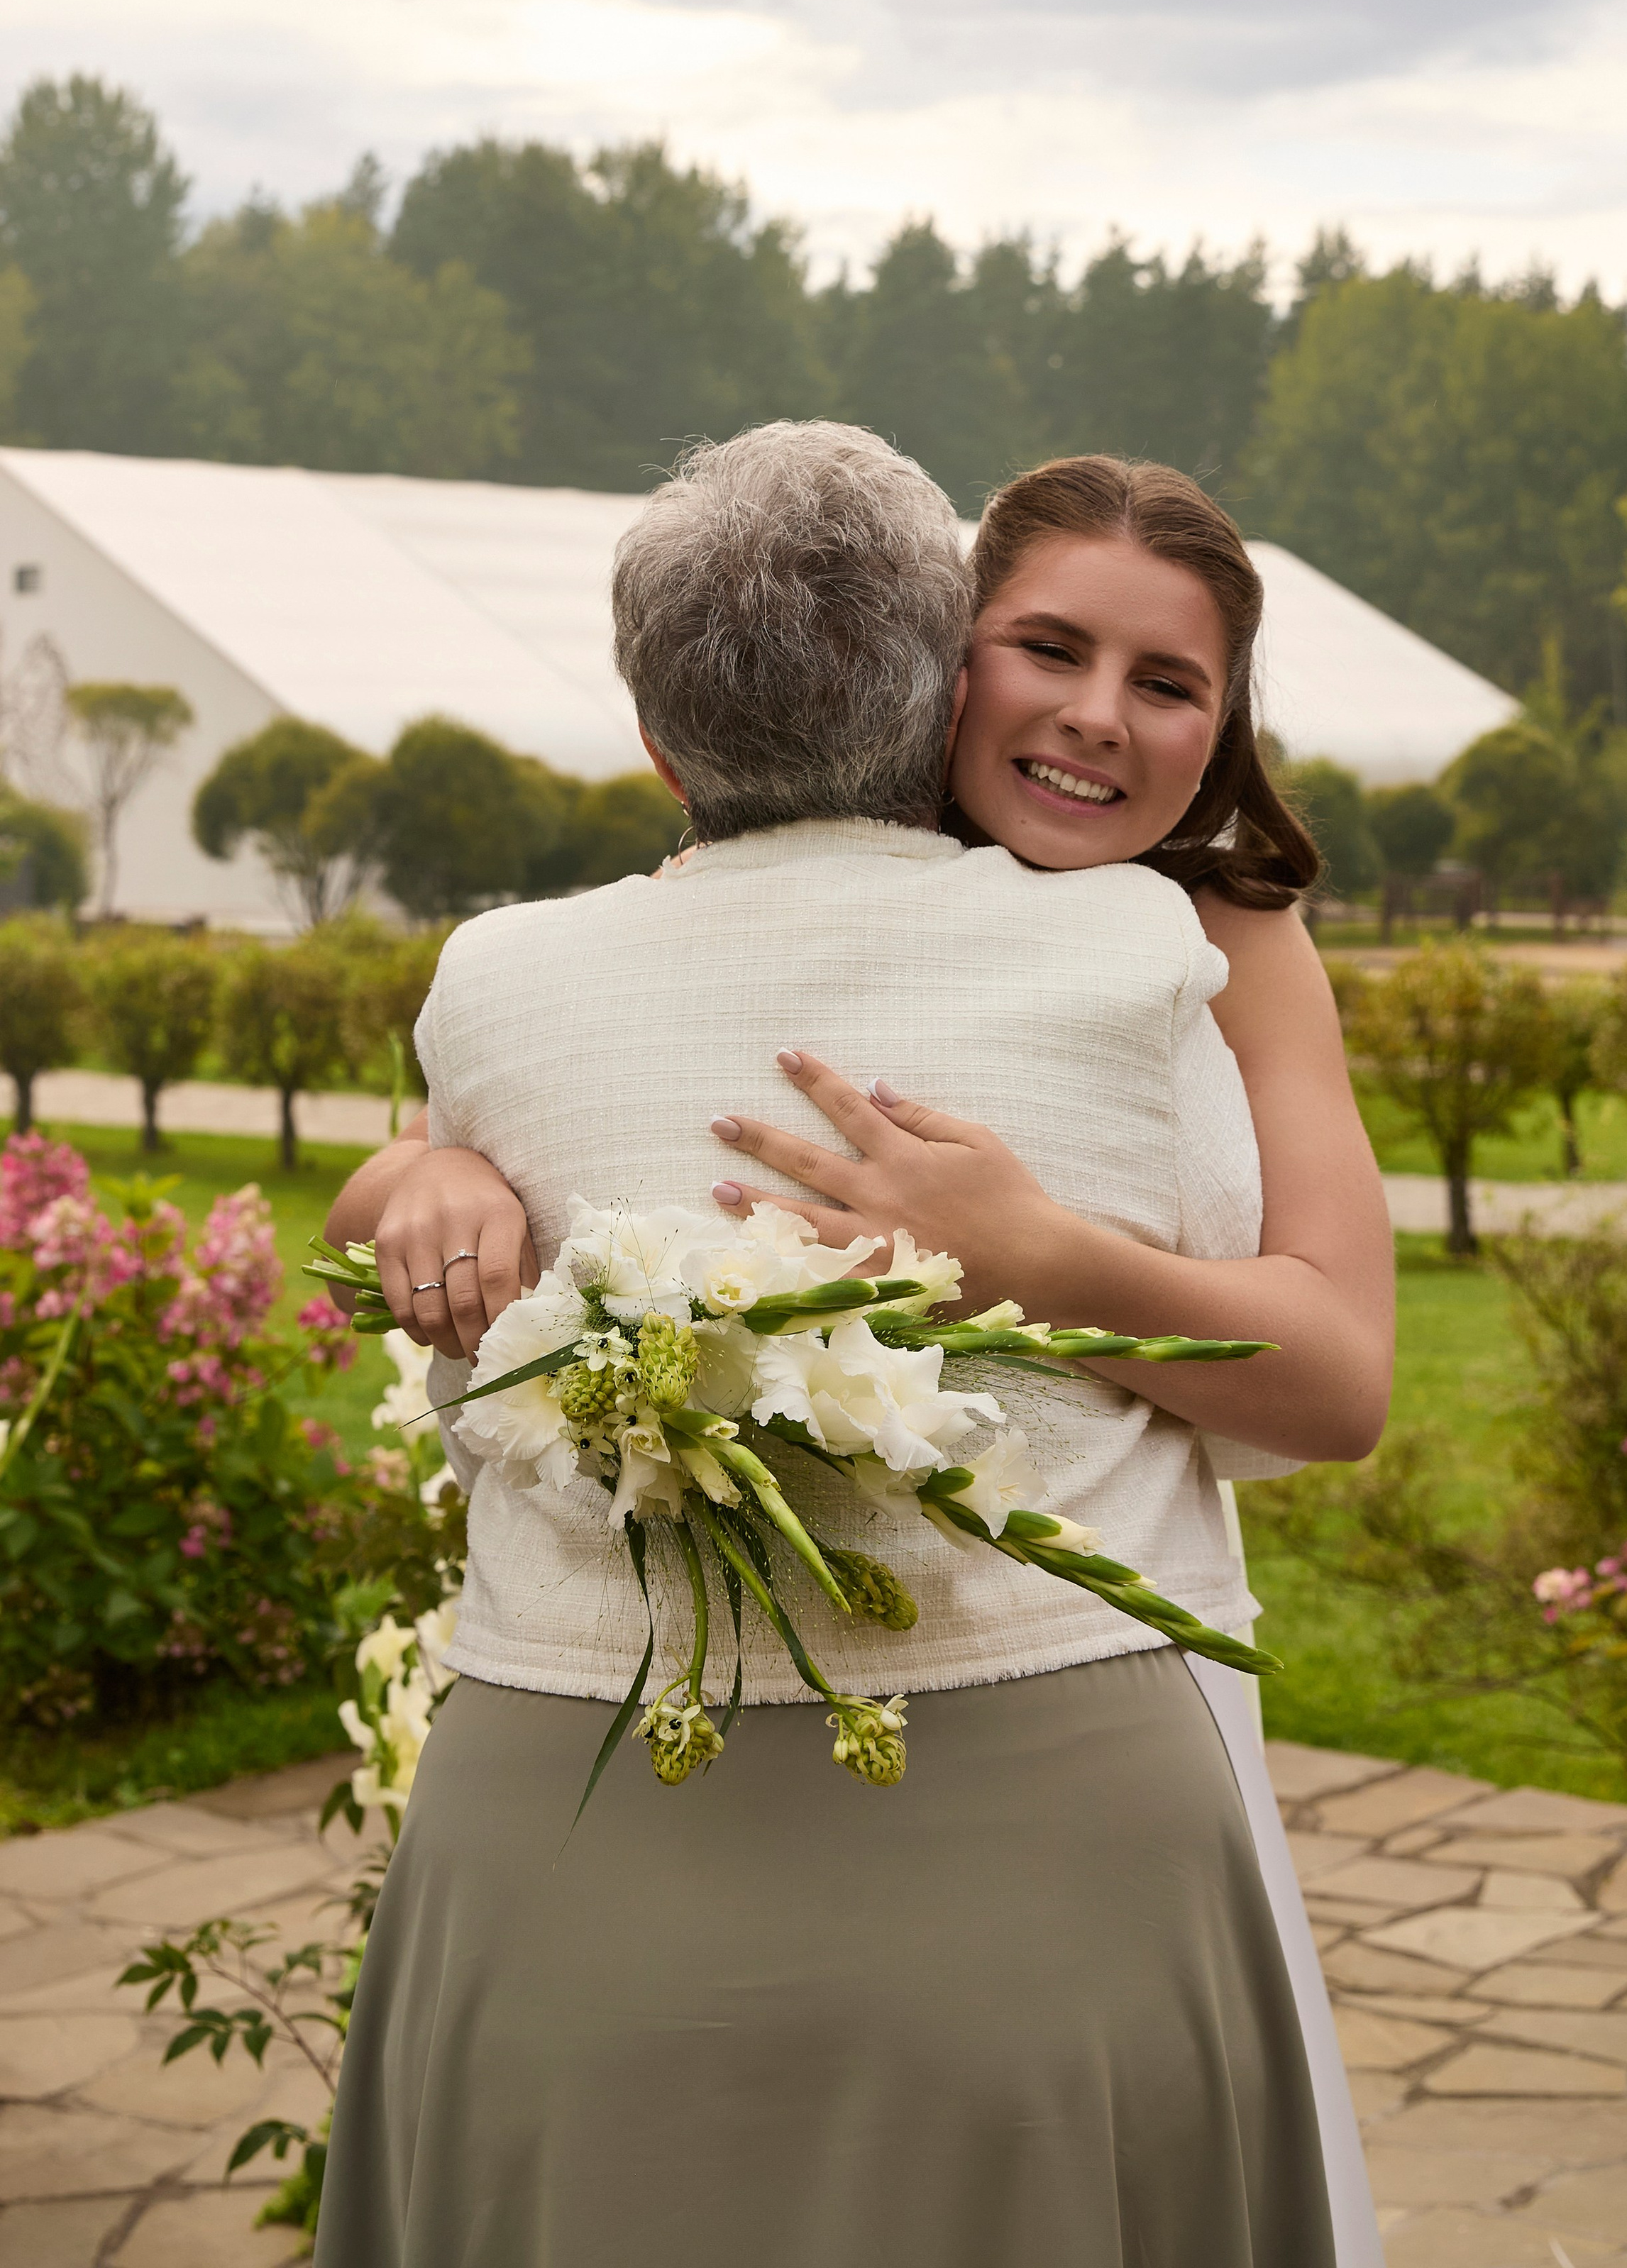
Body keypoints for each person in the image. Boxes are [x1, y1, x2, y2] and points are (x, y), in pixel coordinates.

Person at [314, 422, 1357, 2268]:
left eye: (1168, 678)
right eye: (1047, 651)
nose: (1097, 718)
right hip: (1054, 1782)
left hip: (639, 1802)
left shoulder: (1196, 934)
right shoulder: (1121, 953)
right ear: (941, 667)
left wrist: (1038, 1255)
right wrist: (419, 1167)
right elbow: (500, 1118)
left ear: (661, 735)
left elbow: (1338, 1370)